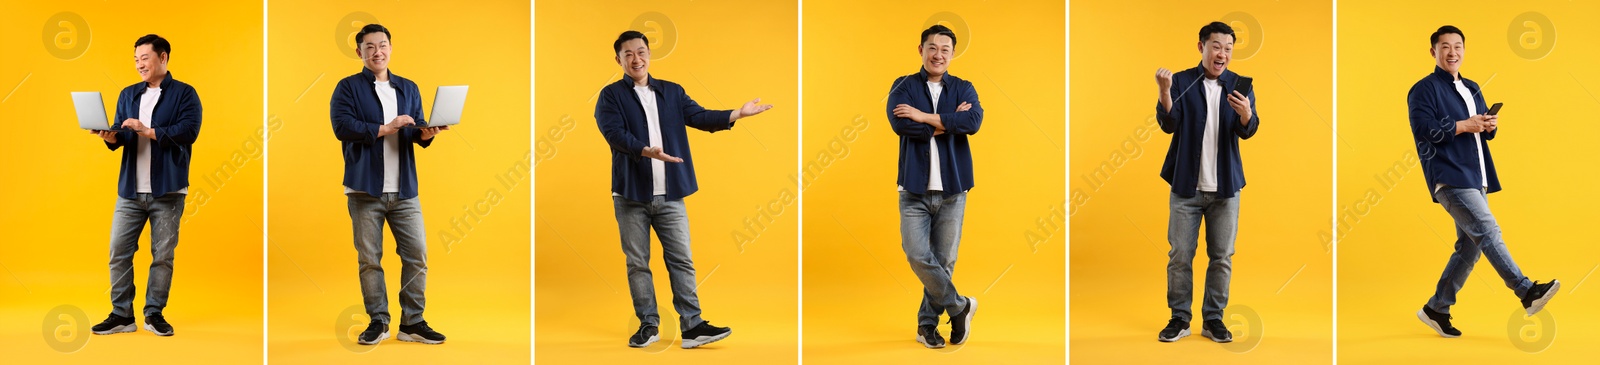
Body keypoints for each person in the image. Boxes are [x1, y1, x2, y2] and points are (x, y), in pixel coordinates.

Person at [596, 30, 772, 349]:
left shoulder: (672, 92)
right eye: (628, 54)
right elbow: (612, 132)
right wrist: (645, 150)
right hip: (631, 194)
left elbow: (701, 117)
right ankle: (648, 324)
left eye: (641, 52)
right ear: (618, 60)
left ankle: (692, 326)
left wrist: (738, 113)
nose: (636, 59)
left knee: (682, 259)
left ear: (650, 54)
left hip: (671, 194)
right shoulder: (610, 96)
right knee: (638, 262)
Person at [1408, 25, 1559, 338]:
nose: (1452, 52)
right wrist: (1465, 124)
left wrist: (1488, 125)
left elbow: (1482, 132)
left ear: (1464, 50)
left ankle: (1437, 307)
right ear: (1433, 52)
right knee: (1488, 231)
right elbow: (1425, 131)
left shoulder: (1473, 86)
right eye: (1445, 46)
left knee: (1470, 247)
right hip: (1449, 175)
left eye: (1458, 46)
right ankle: (1526, 291)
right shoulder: (1423, 89)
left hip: (1477, 176)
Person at [329, 23, 450, 345]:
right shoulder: (347, 87)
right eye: (369, 47)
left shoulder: (408, 88)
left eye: (382, 45)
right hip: (364, 188)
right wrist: (386, 127)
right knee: (370, 260)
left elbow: (413, 131)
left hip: (405, 190)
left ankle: (412, 322)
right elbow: (342, 127)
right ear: (359, 52)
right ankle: (378, 321)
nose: (377, 51)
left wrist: (426, 133)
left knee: (417, 256)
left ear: (391, 48)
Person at [1152, 21, 1260, 344]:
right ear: (1201, 47)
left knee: (1222, 256)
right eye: (1216, 46)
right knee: (1180, 255)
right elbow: (1169, 123)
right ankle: (1179, 318)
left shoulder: (1241, 85)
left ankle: (1213, 319)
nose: (1222, 53)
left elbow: (1249, 129)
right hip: (1187, 187)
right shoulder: (1182, 82)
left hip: (1226, 189)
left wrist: (1246, 113)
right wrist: (1164, 91)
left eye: (1228, 48)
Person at [89, 34, 202, 338]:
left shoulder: (185, 94)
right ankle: (121, 314)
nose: (139, 64)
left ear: (163, 58)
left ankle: (154, 313)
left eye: (145, 58)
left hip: (167, 189)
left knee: (162, 255)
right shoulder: (128, 94)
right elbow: (123, 135)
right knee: (118, 251)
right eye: (136, 59)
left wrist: (147, 130)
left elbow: (188, 131)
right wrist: (110, 136)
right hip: (130, 190)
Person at [887, 24, 983, 349]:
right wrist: (947, 121)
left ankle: (926, 326)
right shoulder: (902, 86)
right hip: (913, 189)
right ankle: (960, 307)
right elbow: (900, 124)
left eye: (945, 49)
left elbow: (973, 123)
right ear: (921, 50)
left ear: (952, 54)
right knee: (916, 254)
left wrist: (923, 116)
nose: (938, 54)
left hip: (954, 190)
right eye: (932, 47)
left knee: (944, 261)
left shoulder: (964, 88)